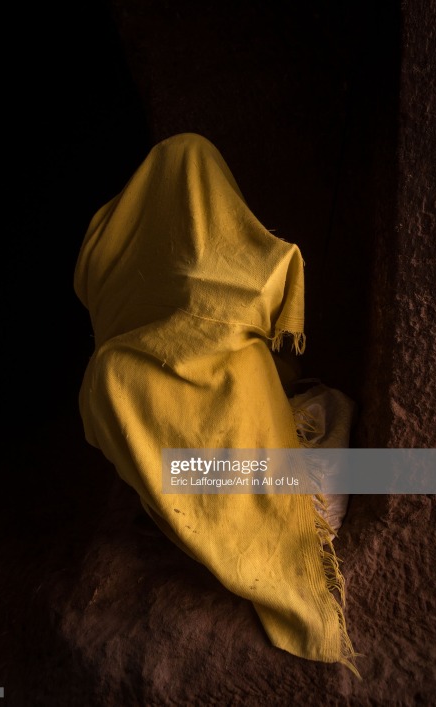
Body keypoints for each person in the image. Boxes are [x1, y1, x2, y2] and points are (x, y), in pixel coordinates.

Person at [74, 133, 358, 674]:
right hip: (261, 492)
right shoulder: (230, 353)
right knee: (343, 433)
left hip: (189, 495)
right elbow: (256, 285)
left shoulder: (108, 374)